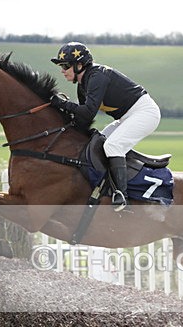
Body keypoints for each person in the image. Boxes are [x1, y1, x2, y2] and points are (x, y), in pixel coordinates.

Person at [49, 42, 161, 211]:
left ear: (79, 65)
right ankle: (108, 187)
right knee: (99, 143)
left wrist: (63, 104)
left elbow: (87, 112)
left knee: (112, 145)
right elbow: (82, 119)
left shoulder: (97, 77)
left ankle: (122, 197)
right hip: (127, 116)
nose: (62, 70)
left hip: (145, 113)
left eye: (65, 66)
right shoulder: (83, 85)